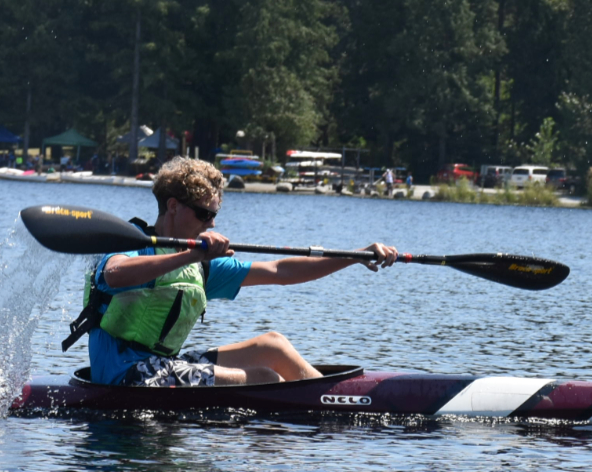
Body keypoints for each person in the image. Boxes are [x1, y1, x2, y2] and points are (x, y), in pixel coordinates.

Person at [64, 157, 398, 388]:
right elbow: (114, 275)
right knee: (265, 378)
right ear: (173, 206)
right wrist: (190, 253)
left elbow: (281, 270)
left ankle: (334, 402)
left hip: (163, 368)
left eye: (213, 216)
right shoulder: (133, 246)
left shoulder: (201, 265)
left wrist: (355, 256)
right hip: (125, 377)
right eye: (203, 214)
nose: (211, 223)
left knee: (274, 346)